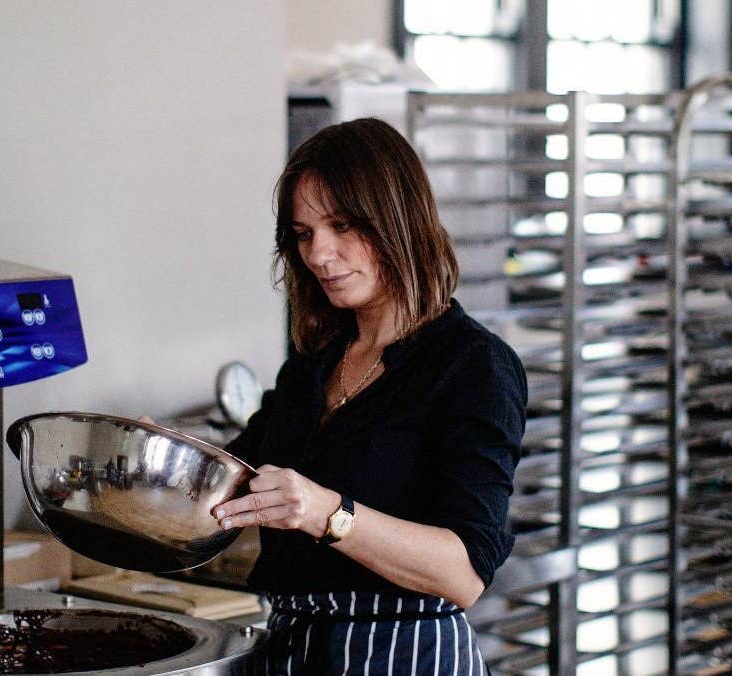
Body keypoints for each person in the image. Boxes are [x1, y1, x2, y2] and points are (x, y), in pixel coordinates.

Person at [212, 117, 526, 675]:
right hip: (293, 652)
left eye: (340, 226)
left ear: (398, 219)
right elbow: (233, 477)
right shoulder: (313, 365)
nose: (319, 255)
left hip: (407, 657)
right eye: (304, 233)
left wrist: (328, 513)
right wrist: (151, 460)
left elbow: (463, 573)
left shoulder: (473, 366)